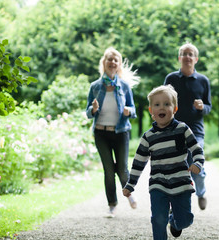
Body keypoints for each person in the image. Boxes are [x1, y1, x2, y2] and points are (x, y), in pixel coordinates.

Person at [123, 85, 205, 239]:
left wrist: (198, 163)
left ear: (174, 109)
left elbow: (197, 149)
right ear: (151, 111)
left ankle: (174, 222)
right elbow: (138, 163)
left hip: (181, 183)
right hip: (158, 184)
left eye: (167, 104)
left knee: (185, 220)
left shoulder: (182, 129)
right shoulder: (148, 137)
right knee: (158, 219)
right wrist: (130, 184)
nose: (162, 107)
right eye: (157, 104)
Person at [86, 47, 139, 218]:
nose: (112, 62)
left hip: (121, 132)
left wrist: (128, 111)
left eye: (115, 60)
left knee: (122, 169)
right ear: (104, 63)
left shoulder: (124, 86)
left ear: (118, 65)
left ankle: (129, 194)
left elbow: (134, 110)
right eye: (109, 59)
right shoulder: (95, 86)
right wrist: (93, 109)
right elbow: (87, 112)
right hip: (101, 133)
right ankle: (112, 205)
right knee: (109, 170)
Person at [164, 42, 211, 210]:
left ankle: (201, 192)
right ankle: (176, 203)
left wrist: (202, 107)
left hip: (196, 132)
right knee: (176, 168)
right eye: (184, 54)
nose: (187, 57)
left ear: (196, 59)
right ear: (179, 58)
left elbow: (208, 107)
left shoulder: (203, 81)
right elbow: (164, 101)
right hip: (175, 130)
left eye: (191, 54)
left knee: (196, 166)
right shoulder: (171, 79)